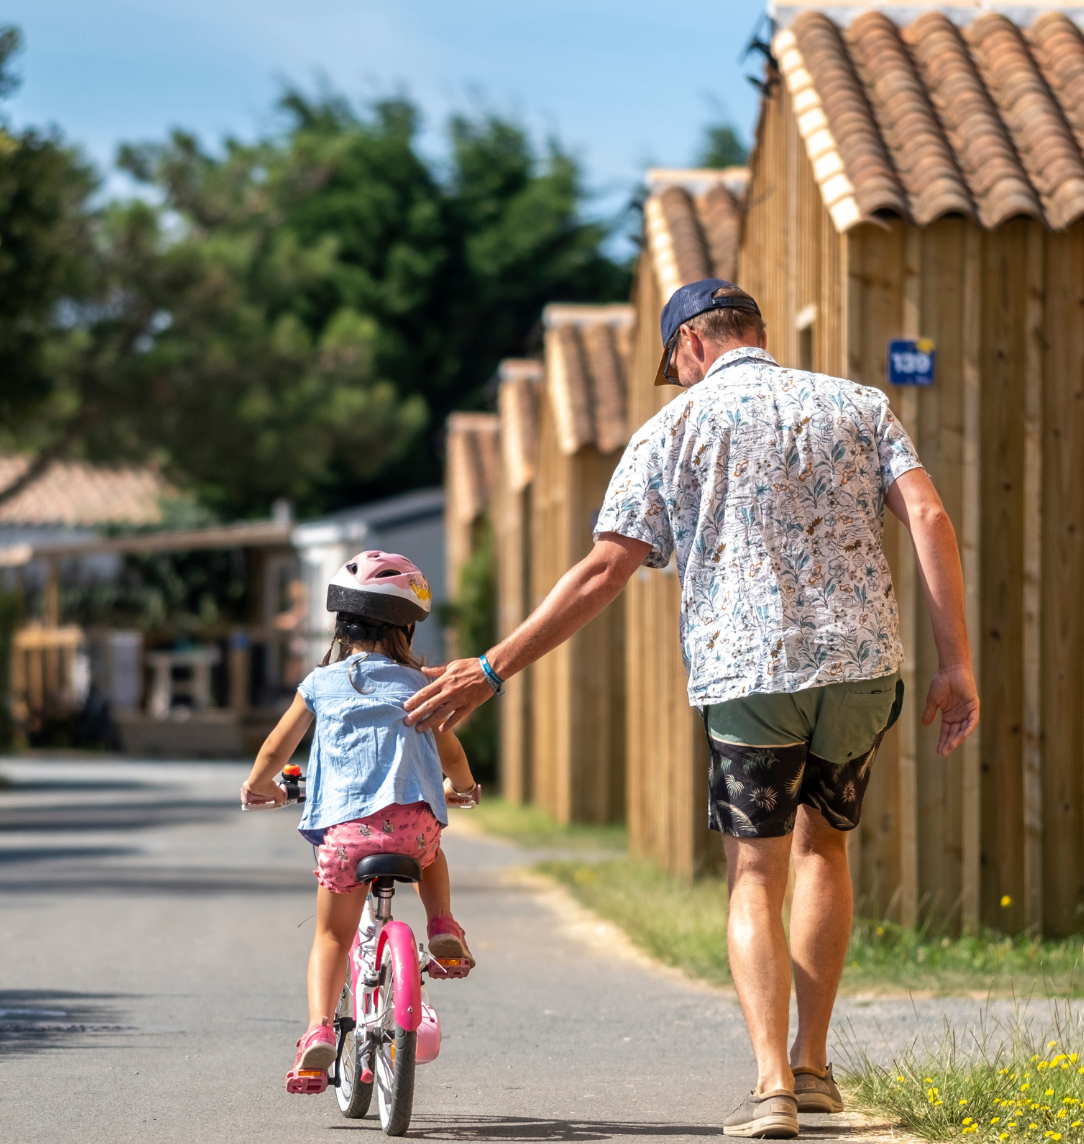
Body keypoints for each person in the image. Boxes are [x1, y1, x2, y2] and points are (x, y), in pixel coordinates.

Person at [403, 278, 979, 1138]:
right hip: (861, 668)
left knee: (757, 872)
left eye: (673, 360)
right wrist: (956, 662)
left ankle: (772, 1086)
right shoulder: (858, 405)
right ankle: (816, 1067)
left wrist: (493, 666)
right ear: (752, 331)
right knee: (827, 851)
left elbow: (603, 571)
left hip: (747, 676)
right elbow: (928, 514)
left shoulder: (671, 428)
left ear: (691, 347)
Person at [241, 550, 482, 1096]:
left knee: (330, 934)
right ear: (406, 627)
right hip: (413, 833)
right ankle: (441, 924)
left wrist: (261, 788)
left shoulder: (321, 684)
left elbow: (276, 747)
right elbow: (453, 755)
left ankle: (319, 1031)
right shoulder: (420, 683)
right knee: (434, 851)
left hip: (346, 839)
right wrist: (463, 791)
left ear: (340, 622)